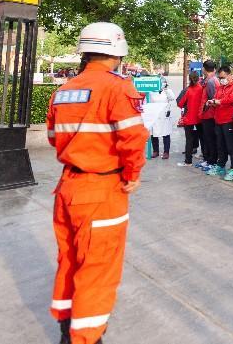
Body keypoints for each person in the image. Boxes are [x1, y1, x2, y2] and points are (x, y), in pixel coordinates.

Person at [47, 22, 148, 344]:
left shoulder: (64, 90)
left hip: (67, 187)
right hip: (101, 190)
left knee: (69, 259)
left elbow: (53, 138)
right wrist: (132, 175)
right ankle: (85, 337)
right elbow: (133, 138)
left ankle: (66, 328)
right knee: (98, 267)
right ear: (117, 53)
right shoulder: (117, 88)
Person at [208, 67, 233, 181]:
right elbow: (216, 98)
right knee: (220, 145)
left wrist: (218, 101)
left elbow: (231, 99)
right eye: (219, 77)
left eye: (223, 77)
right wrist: (213, 102)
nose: (221, 79)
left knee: (231, 146)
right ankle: (221, 165)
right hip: (218, 119)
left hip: (229, 120)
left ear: (230, 75)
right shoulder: (220, 87)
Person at [177, 72, 203, 167]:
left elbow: (180, 103)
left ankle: (188, 161)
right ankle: (206, 159)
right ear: (198, 78)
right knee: (203, 139)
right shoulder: (202, 88)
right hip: (200, 118)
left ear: (189, 79)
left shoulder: (188, 90)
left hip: (189, 118)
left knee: (189, 140)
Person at [146, 76, 175, 159]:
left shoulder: (167, 91)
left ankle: (166, 152)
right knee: (154, 134)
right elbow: (147, 100)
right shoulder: (151, 91)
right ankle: (156, 151)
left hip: (164, 115)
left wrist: (166, 89)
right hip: (155, 115)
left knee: (166, 134)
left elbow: (172, 98)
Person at [197, 60, 219, 170]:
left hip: (210, 115)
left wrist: (206, 107)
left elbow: (213, 99)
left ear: (204, 69)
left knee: (210, 139)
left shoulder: (211, 81)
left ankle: (212, 161)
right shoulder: (209, 80)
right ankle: (208, 160)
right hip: (207, 114)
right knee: (207, 139)